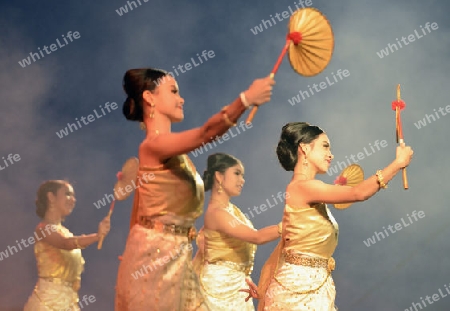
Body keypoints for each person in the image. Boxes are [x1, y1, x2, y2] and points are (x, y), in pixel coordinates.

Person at [114, 68, 274, 311]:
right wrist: (245, 100)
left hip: (174, 256)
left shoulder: (175, 155)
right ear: (149, 97)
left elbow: (140, 209)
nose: (182, 98)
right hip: (155, 257)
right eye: (174, 91)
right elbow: (206, 133)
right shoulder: (154, 146)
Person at [244, 122, 413, 311]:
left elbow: (286, 245)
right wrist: (397, 164)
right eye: (325, 146)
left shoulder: (308, 190)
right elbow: (358, 193)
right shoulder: (303, 187)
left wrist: (264, 288)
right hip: (298, 293)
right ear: (305, 148)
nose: (331, 154)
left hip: (311, 289)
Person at [192, 153, 281, 311]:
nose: (242, 180)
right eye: (237, 173)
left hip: (236, 288)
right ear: (219, 176)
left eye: (243, 175)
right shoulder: (217, 214)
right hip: (218, 290)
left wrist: (243, 277)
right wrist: (290, 225)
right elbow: (257, 237)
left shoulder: (232, 211)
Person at [24, 180, 111, 311]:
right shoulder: (43, 229)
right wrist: (97, 236)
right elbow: (65, 243)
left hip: (69, 303)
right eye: (68, 194)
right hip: (47, 303)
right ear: (51, 197)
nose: (73, 200)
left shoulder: (65, 231)